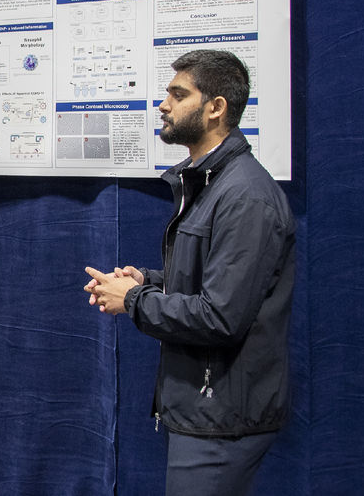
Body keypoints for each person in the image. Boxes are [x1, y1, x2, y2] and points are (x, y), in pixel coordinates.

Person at [84, 50, 296, 496]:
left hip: (220, 419)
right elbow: (214, 281)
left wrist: (135, 301)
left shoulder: (245, 196)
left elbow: (221, 316)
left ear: (216, 107)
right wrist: (147, 282)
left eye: (179, 94)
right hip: (206, 411)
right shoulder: (213, 183)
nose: (164, 104)